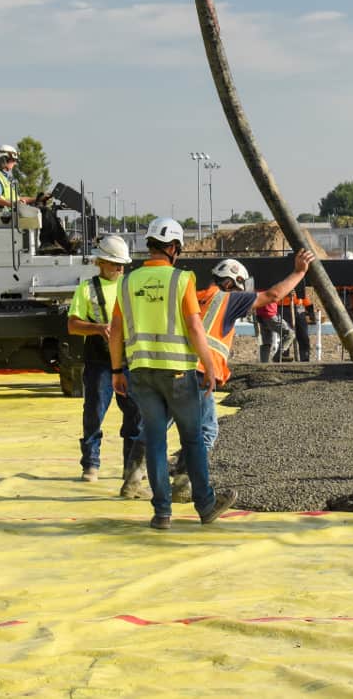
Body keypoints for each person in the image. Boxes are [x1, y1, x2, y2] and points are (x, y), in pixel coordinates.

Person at [108, 217, 236, 530]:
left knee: (155, 441)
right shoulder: (181, 279)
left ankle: (161, 512)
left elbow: (115, 331)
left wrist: (115, 371)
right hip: (178, 372)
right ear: (174, 247)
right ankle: (205, 505)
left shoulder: (127, 282)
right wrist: (209, 366)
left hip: (141, 373)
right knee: (192, 439)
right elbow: (194, 326)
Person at [171, 249, 315, 501]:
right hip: (201, 373)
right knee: (205, 432)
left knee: (165, 425)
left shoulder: (193, 297)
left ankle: (136, 474)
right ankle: (186, 483)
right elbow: (272, 295)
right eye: (238, 286)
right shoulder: (227, 299)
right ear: (228, 282)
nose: (241, 293)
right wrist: (299, 272)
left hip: (173, 371)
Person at [67, 235, 147, 496]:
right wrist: (99, 328)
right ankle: (90, 464)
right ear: (100, 262)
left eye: (123, 265)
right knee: (94, 413)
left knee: (135, 415)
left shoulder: (131, 286)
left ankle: (130, 469)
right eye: (115, 264)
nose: (120, 269)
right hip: (99, 360)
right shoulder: (87, 289)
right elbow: (73, 325)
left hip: (130, 360)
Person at [0, 144, 31, 211]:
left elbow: (18, 199)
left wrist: (37, 199)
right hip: (7, 218)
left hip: (13, 215)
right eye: (13, 160)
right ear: (4, 160)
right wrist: (13, 205)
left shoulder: (3, 178)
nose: (15, 163)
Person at [279, 289, 312, 361]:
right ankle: (284, 357)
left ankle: (305, 359)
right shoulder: (279, 279)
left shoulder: (297, 281)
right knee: (287, 335)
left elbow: (304, 295)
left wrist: (310, 311)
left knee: (303, 336)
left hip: (299, 308)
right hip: (283, 307)